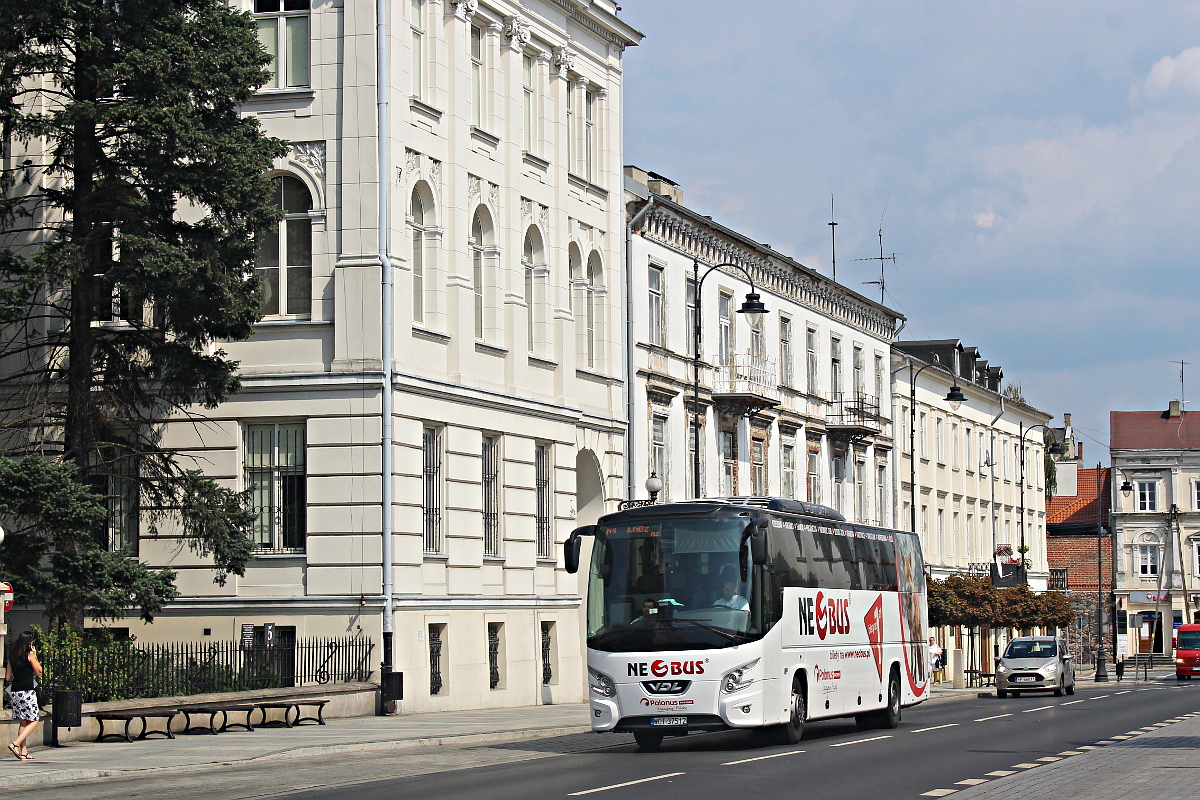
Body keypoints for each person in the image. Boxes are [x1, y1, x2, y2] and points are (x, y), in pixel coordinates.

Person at [5, 631, 44, 760]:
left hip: (15, 691)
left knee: (23, 722)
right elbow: (39, 672)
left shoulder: (12, 655)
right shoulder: (29, 654)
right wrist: (35, 657)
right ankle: (15, 744)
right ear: (29, 642)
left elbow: (8, 677)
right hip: (27, 690)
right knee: (34, 720)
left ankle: (23, 752)